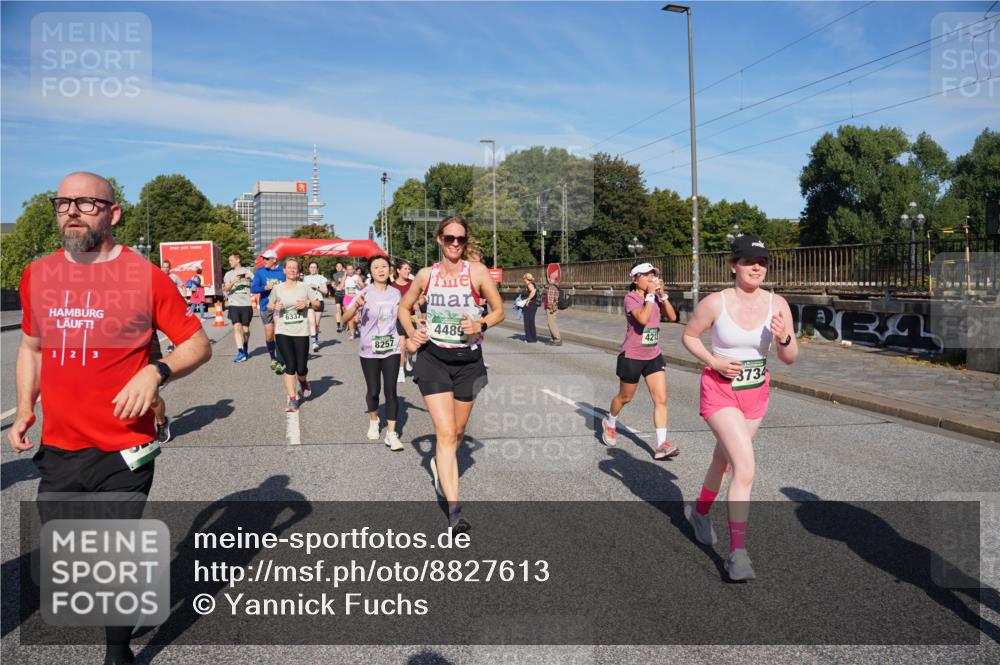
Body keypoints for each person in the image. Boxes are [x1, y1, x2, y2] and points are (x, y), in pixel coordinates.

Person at [8, 172, 211, 665]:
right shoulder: (38, 274)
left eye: (86, 203)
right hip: (59, 446)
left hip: (125, 447)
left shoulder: (144, 276)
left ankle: (117, 651)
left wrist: (156, 373)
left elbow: (198, 343)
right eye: (63, 203)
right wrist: (24, 408)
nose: (72, 211)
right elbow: (31, 348)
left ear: (113, 213)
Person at [681, 234, 798, 581]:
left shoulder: (779, 305)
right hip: (720, 391)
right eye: (748, 261)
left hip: (756, 393)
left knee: (726, 461)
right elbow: (689, 336)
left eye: (762, 262)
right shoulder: (716, 302)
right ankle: (738, 554)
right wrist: (714, 361)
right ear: (734, 265)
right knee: (745, 467)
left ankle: (700, 512)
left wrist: (784, 338)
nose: (756, 267)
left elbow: (790, 358)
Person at [398, 217, 504, 532]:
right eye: (449, 238)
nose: (455, 244)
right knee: (445, 434)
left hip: (468, 362)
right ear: (439, 239)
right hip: (433, 359)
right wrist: (412, 333)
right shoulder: (425, 275)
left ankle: (438, 463)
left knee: (457, 433)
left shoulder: (478, 272)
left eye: (460, 238)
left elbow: (499, 310)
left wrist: (481, 324)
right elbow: (404, 308)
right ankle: (455, 511)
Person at [601, 262, 679, 460]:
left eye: (652, 275)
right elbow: (643, 319)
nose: (651, 279)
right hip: (633, 355)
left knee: (661, 399)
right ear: (635, 279)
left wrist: (663, 296)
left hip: (653, 355)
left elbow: (672, 316)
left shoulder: (654, 297)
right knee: (625, 397)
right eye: (646, 276)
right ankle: (610, 423)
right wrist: (651, 296)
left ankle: (661, 444)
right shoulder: (631, 298)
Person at [343, 255, 404, 450]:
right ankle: (374, 419)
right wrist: (356, 308)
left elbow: (402, 317)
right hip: (369, 349)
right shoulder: (364, 293)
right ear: (370, 271)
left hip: (391, 347)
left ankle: (392, 434)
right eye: (376, 267)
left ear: (390, 270)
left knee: (391, 391)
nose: (381, 270)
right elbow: (345, 318)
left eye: (384, 266)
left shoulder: (396, 293)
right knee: (373, 390)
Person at [268, 259, 323, 412]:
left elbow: (318, 303)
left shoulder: (304, 287)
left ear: (298, 271)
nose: (292, 270)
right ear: (284, 270)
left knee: (301, 367)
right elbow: (269, 304)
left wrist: (308, 304)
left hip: (301, 331)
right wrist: (275, 306)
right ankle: (292, 399)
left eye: (295, 267)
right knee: (290, 365)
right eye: (289, 267)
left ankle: (303, 381)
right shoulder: (277, 288)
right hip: (283, 331)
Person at [251, 249, 286, 374]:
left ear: (274, 259)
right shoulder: (260, 272)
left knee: (280, 333)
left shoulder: (283, 271)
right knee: (270, 335)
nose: (264, 261)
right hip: (266, 306)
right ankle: (273, 358)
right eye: (263, 259)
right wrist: (264, 287)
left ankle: (281, 360)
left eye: (266, 259)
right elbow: (253, 288)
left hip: (281, 307)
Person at [223, 253, 255, 363]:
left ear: (238, 260)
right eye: (229, 260)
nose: (229, 262)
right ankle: (240, 351)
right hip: (234, 304)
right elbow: (226, 289)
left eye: (231, 260)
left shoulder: (247, 271)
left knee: (246, 330)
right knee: (236, 327)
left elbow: (255, 284)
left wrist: (249, 279)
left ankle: (245, 345)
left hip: (246, 304)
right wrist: (233, 281)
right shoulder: (228, 274)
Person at [391, 259, 416, 383]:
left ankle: (410, 357)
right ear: (398, 270)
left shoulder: (413, 283)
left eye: (409, 269)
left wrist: (418, 303)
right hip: (398, 319)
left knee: (412, 348)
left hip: (411, 318)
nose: (408, 271)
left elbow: (421, 297)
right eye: (405, 269)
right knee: (401, 345)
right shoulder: (392, 286)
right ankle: (401, 370)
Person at [303, 261, 330, 352]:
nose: (313, 269)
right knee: (312, 322)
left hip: (319, 301)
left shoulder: (321, 278)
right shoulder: (305, 278)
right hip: (309, 302)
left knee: (317, 324)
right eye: (311, 267)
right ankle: (314, 343)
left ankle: (316, 339)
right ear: (309, 268)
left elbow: (326, 292)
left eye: (314, 267)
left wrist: (316, 286)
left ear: (317, 269)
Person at [161, 260, 184, 353]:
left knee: (172, 324)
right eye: (164, 267)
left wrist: (184, 297)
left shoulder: (174, 277)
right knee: (165, 326)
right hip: (162, 304)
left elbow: (182, 286)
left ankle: (171, 344)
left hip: (173, 304)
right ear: (161, 267)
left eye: (167, 267)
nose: (165, 269)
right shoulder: (158, 276)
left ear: (169, 268)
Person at [339, 264, 363, 339]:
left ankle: (356, 328)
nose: (350, 271)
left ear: (353, 270)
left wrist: (358, 284)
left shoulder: (357, 277)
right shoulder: (344, 277)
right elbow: (340, 287)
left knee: (356, 319)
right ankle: (352, 334)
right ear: (346, 270)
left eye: (351, 269)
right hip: (347, 299)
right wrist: (344, 276)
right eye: (348, 269)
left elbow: (363, 286)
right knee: (350, 318)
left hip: (356, 299)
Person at [544, 274, 563, 346]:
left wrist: (551, 308)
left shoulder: (552, 287)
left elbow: (551, 300)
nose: (549, 279)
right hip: (553, 308)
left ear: (553, 279)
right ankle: (553, 338)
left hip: (551, 309)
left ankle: (557, 339)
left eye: (550, 278)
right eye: (549, 278)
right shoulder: (556, 286)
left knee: (551, 323)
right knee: (551, 323)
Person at [520, 273, 539, 343]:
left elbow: (533, 291)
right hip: (532, 305)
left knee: (527, 322)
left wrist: (528, 299)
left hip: (530, 305)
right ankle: (533, 338)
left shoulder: (529, 285)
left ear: (526, 278)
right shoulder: (532, 284)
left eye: (524, 279)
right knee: (531, 322)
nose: (523, 280)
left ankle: (529, 339)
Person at [331, 262, 346, 333]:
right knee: (338, 309)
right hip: (337, 294)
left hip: (345, 294)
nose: (339, 267)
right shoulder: (334, 275)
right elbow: (335, 282)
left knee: (344, 310)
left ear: (342, 267)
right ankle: (338, 326)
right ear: (336, 268)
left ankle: (345, 323)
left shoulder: (346, 274)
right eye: (337, 266)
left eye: (340, 266)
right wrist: (333, 285)